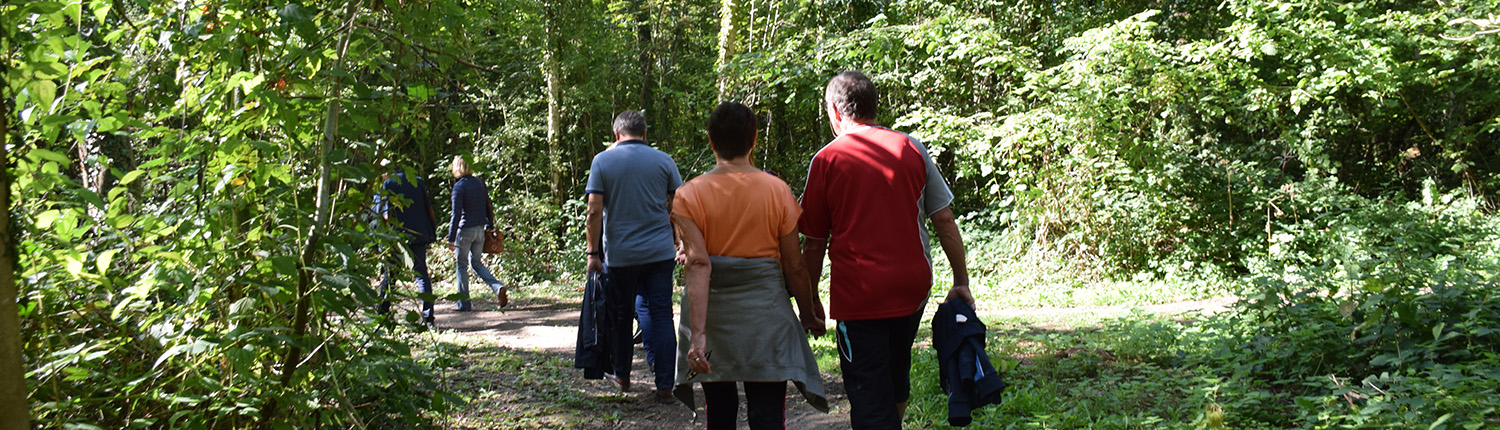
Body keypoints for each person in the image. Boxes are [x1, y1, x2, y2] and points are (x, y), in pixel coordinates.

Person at [799, 71, 975, 429]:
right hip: (912, 289)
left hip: (859, 296)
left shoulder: (826, 161)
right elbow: (944, 220)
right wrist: (961, 280)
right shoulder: (911, 148)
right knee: (896, 370)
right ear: (873, 107)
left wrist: (809, 299)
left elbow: (814, 243)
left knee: (868, 393)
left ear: (835, 111)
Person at [672, 102, 829, 429]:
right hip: (766, 315)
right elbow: (794, 265)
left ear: (711, 141)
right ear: (754, 139)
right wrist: (808, 312)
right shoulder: (778, 191)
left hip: (712, 316)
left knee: (720, 412)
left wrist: (697, 337)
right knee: (768, 414)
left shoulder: (688, 195)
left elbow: (698, 263)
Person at [584, 110, 682, 403]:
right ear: (645, 133)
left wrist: (592, 254)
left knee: (622, 315)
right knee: (663, 314)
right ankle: (666, 384)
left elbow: (593, 211)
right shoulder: (664, 160)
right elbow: (680, 205)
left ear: (616, 135)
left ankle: (623, 376)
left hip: (621, 255)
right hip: (660, 252)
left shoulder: (603, 161)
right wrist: (681, 241)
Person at [375, 165, 439, 325]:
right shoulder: (417, 181)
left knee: (389, 276)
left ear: (388, 173)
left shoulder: (389, 184)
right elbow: (429, 209)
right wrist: (432, 230)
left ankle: (382, 314)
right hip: (418, 235)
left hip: (397, 238)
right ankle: (429, 317)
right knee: (422, 276)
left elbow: (386, 215)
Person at [447, 155, 506, 311]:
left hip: (464, 231)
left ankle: (464, 304)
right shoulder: (480, 183)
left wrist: (451, 238)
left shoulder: (459, 186)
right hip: (480, 230)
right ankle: (497, 287)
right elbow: (488, 205)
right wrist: (489, 226)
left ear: (457, 167)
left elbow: (456, 214)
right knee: (476, 263)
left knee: (461, 265)